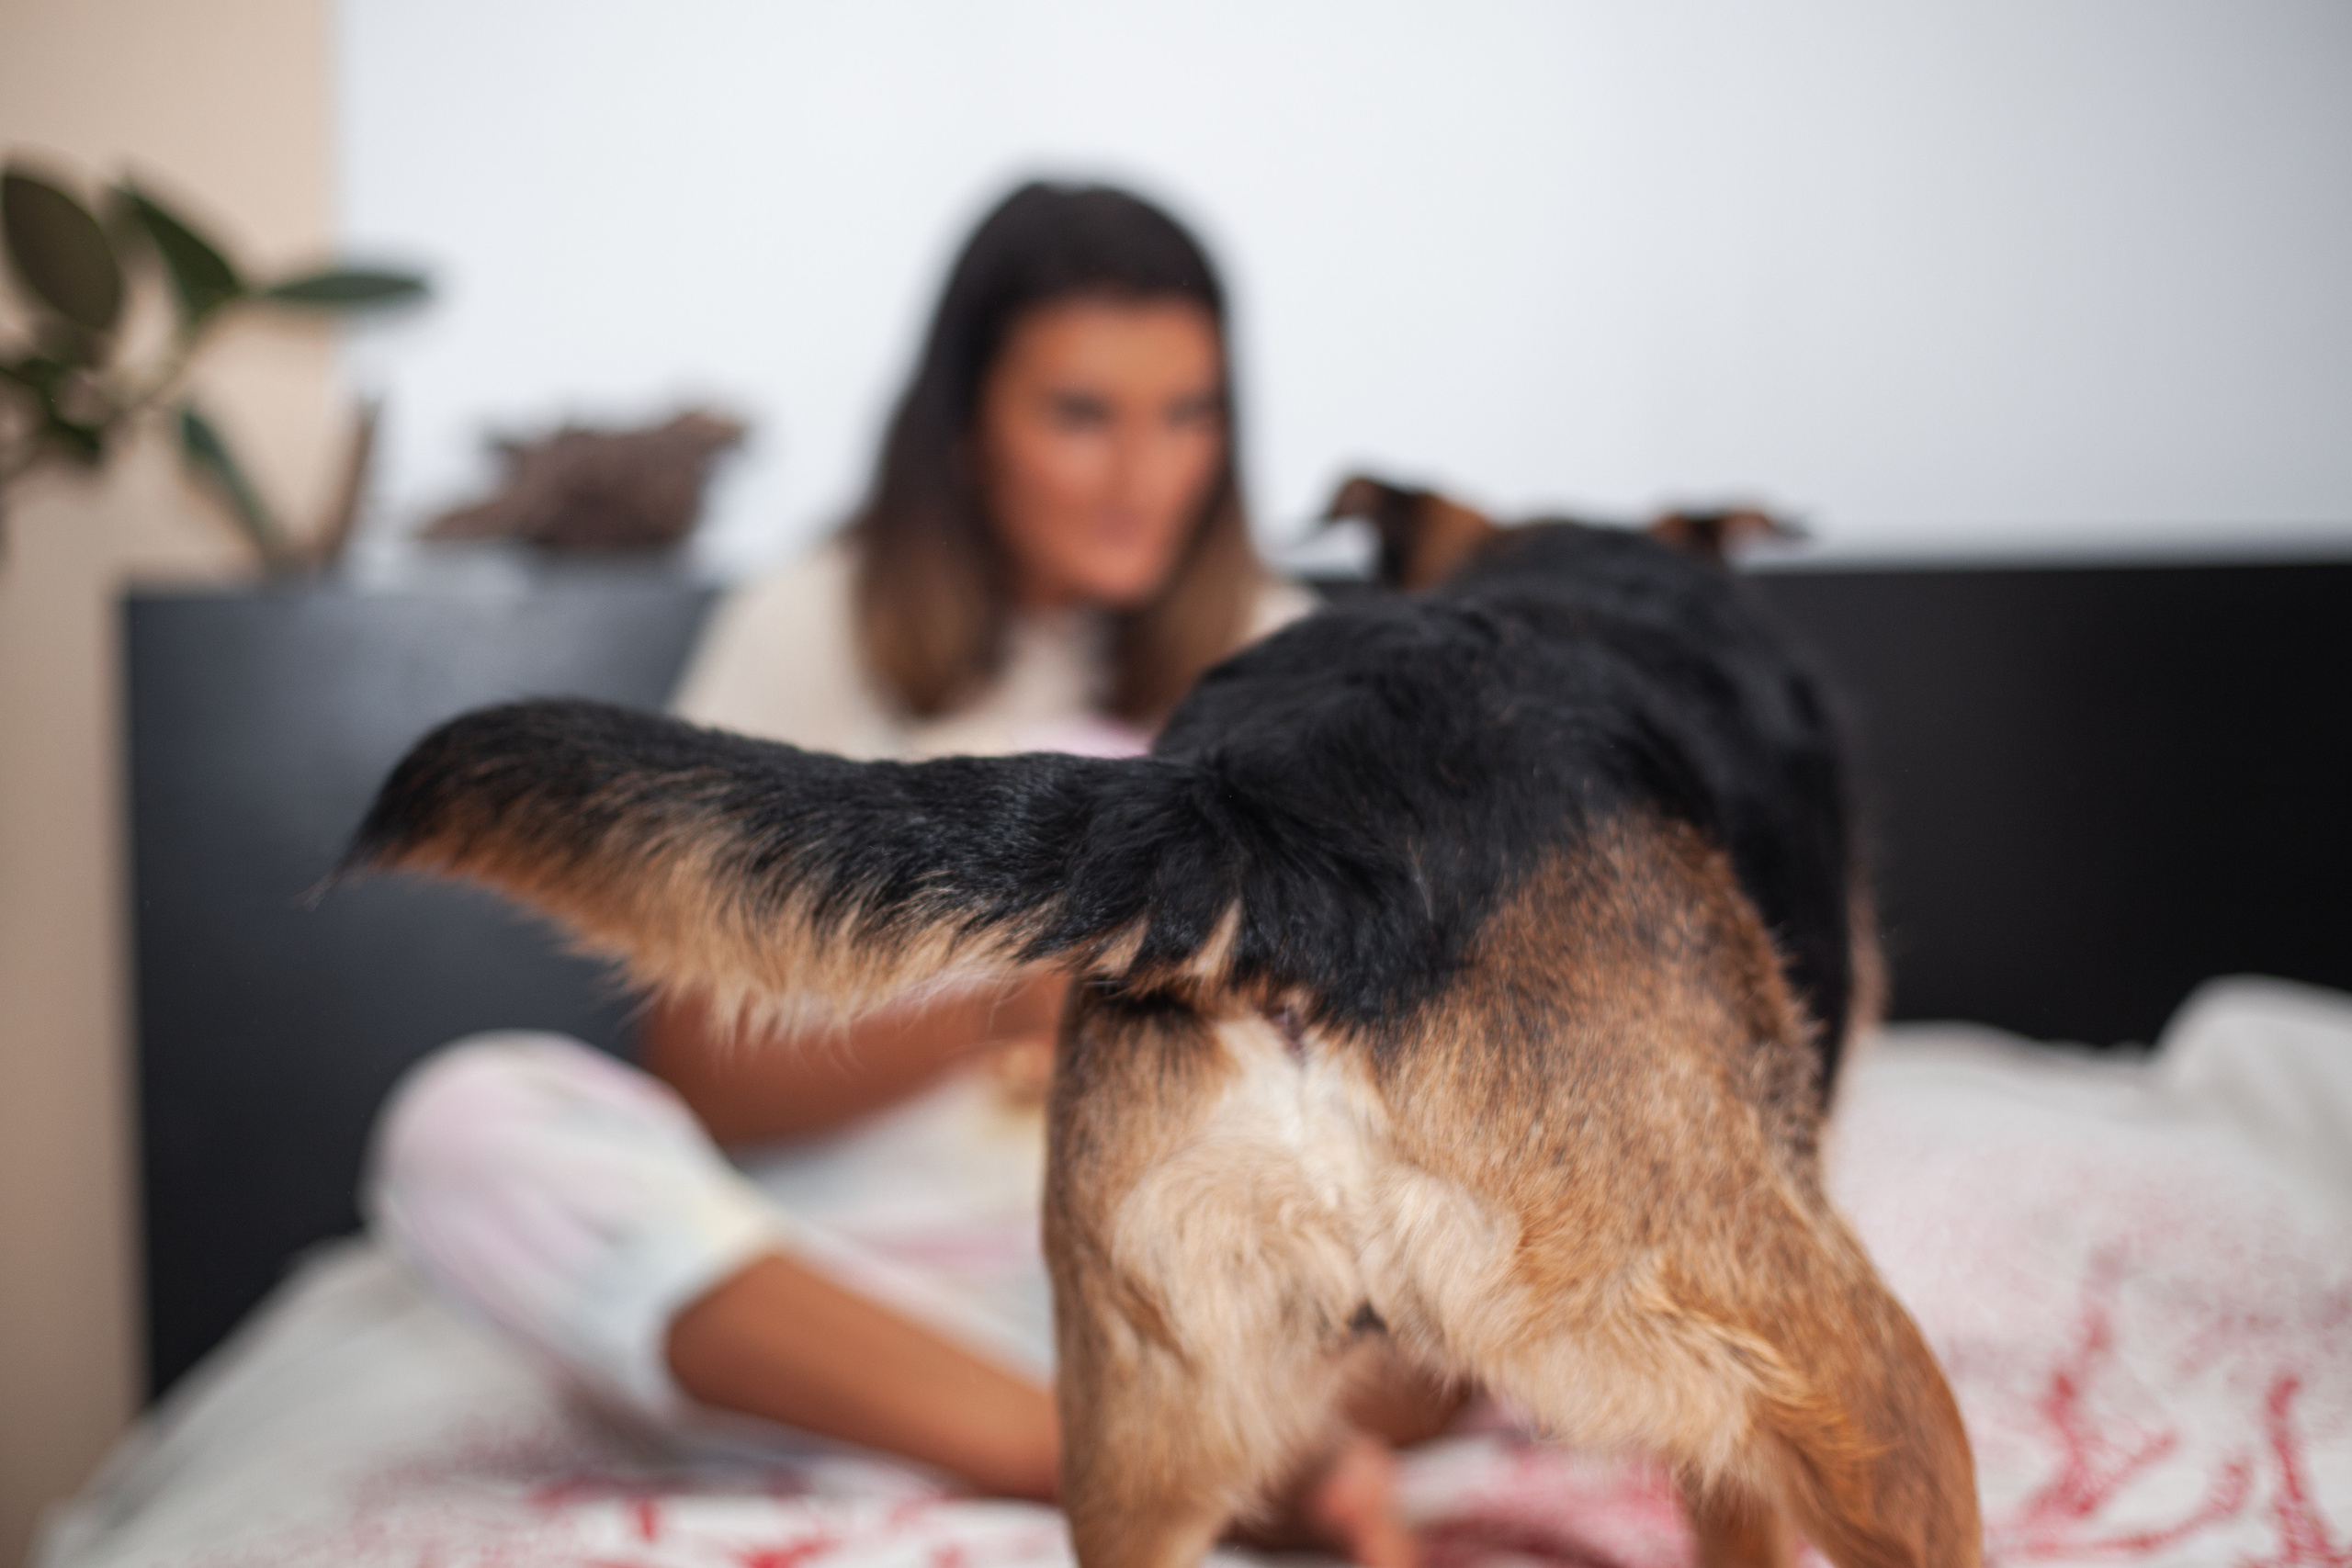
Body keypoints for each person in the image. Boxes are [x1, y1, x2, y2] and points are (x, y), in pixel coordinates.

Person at [366, 183, 1432, 1565]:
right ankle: (1113, 1457)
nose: (1144, 475)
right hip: (843, 1282)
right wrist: (1006, 991)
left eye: (1189, 415)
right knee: (464, 1126)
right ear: (964, 427)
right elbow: (699, 1067)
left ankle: (1138, 1425)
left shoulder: (1288, 658)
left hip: (1186, 1281)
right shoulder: (814, 621)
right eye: (1081, 415)